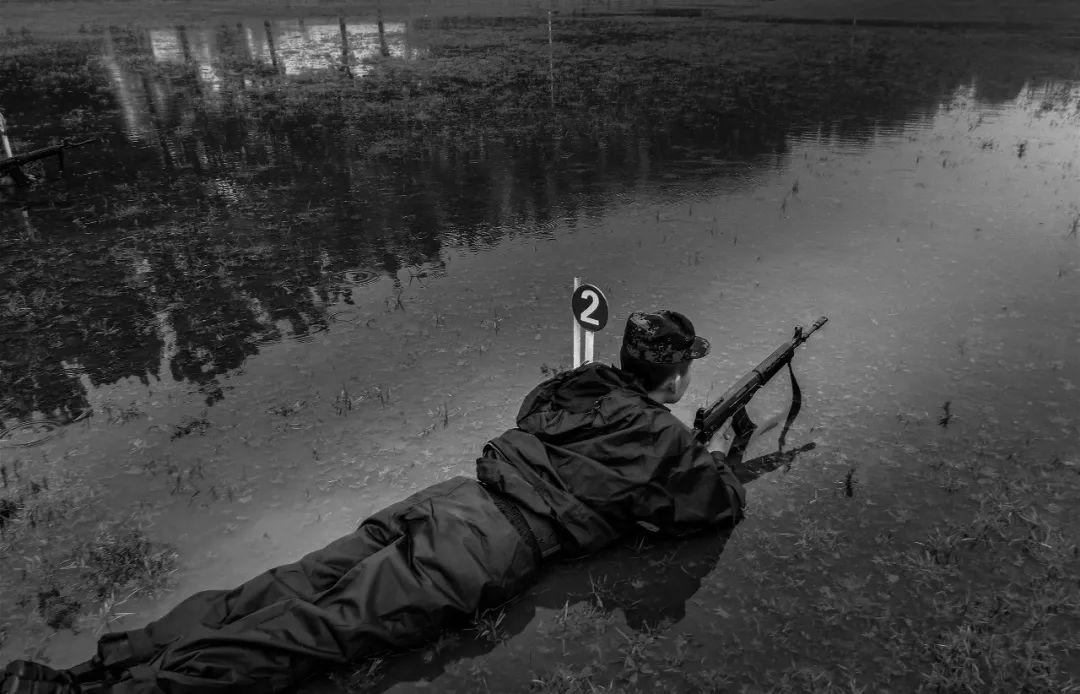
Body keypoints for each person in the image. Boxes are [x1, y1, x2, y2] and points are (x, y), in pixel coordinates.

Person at [1, 310, 746, 694]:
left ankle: (92, 670)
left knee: (289, 583)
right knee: (319, 629)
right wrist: (703, 450)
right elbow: (715, 507)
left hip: (450, 498)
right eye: (685, 369)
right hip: (487, 546)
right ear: (676, 376)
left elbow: (540, 406)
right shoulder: (663, 440)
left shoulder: (585, 386)